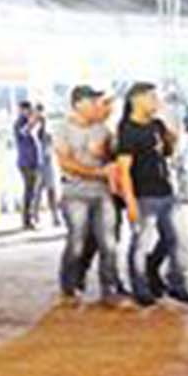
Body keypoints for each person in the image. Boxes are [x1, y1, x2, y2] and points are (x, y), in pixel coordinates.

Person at [111, 84, 188, 308]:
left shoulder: (157, 125)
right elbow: (123, 169)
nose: (157, 101)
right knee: (141, 243)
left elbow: (167, 152)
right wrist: (130, 201)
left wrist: (170, 137)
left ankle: (173, 281)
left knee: (175, 240)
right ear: (138, 100)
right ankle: (141, 288)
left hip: (166, 190)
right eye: (152, 97)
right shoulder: (127, 129)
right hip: (143, 194)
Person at [53, 87, 123, 306]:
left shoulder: (102, 129)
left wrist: (106, 151)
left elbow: (115, 154)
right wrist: (97, 172)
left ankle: (109, 290)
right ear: (78, 104)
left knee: (108, 243)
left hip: (102, 193)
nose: (96, 105)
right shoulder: (62, 129)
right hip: (75, 193)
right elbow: (65, 162)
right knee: (77, 241)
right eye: (91, 101)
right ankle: (69, 286)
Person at [13, 103, 46, 230]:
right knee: (29, 191)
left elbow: (41, 136)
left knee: (33, 191)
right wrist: (32, 121)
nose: (28, 113)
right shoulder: (20, 123)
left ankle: (31, 217)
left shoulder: (35, 123)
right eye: (26, 110)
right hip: (25, 162)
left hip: (35, 160)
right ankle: (27, 219)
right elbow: (24, 132)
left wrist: (41, 121)